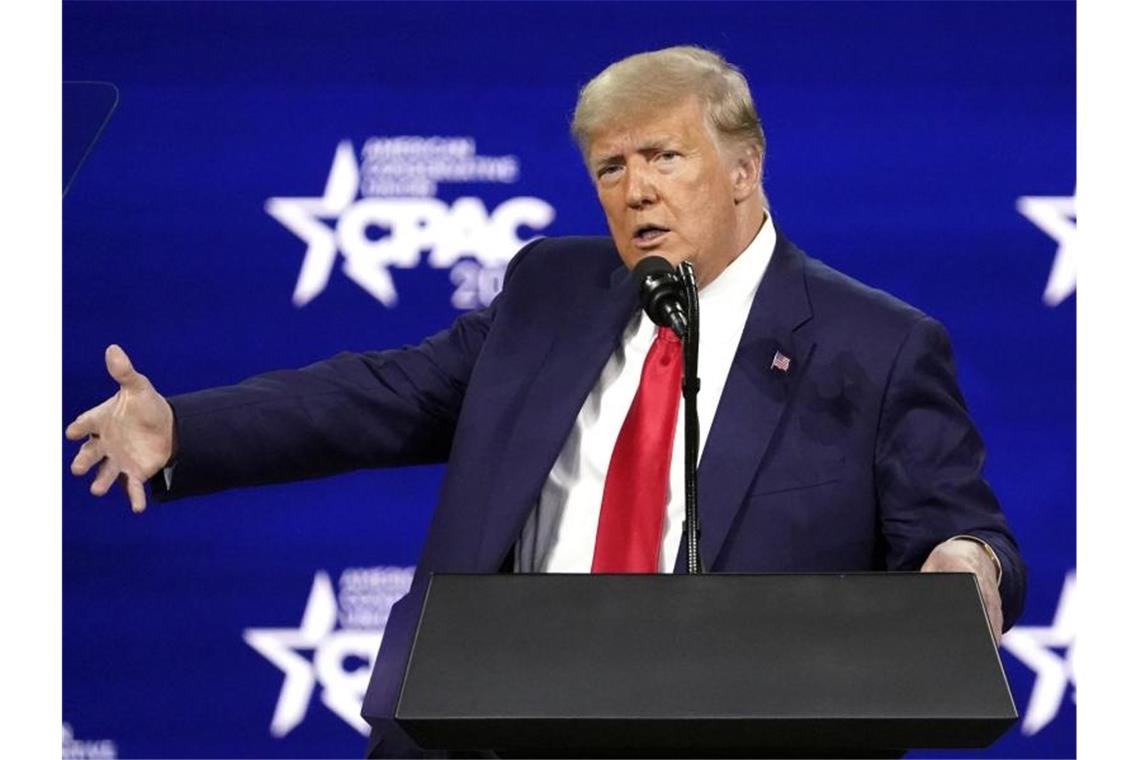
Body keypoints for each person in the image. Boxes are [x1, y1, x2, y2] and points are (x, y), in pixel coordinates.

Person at [66, 46, 1025, 757]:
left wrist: (964, 563)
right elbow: (381, 395)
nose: (635, 191)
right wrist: (185, 426)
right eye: (611, 168)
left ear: (745, 169)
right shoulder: (550, 292)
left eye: (663, 157)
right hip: (480, 730)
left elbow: (960, 529)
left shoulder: (878, 345)